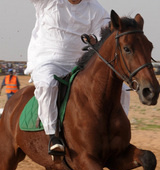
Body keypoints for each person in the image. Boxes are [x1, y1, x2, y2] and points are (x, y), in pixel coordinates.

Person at [25, 0, 130, 155]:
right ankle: (53, 135)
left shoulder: (96, 9)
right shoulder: (48, 2)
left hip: (81, 62)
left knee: (123, 88)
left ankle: (116, 132)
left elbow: (106, 33)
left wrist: (95, 40)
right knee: (48, 84)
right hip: (48, 59)